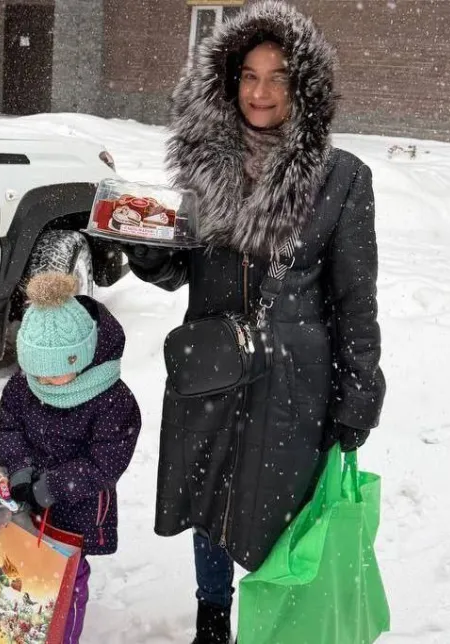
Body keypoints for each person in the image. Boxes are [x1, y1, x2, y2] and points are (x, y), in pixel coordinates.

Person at [123, 2, 386, 642]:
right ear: (228, 81)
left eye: (277, 77)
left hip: (293, 382)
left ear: (304, 87)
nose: (260, 92)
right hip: (212, 368)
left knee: (277, 507)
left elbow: (355, 297)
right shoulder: (204, 166)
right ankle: (212, 617)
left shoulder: (341, 177)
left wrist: (361, 391)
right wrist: (150, 256)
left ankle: (273, 619)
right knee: (211, 500)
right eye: (247, 75)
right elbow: (187, 273)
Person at [0, 272, 142, 644]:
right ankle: (16, 628)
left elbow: (105, 462)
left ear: (83, 356)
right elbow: (10, 428)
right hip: (27, 497)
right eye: (36, 373)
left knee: (67, 577)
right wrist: (21, 471)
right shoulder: (23, 385)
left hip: (79, 505)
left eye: (54, 373)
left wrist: (53, 486)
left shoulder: (112, 400)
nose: (43, 383)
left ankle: (62, 635)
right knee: (21, 567)